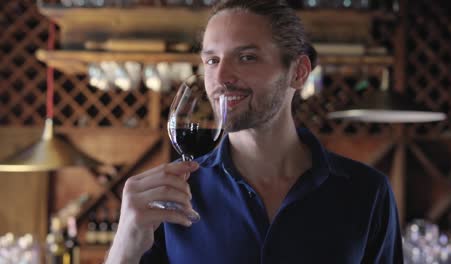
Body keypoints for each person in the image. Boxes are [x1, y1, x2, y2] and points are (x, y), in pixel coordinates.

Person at [106, 1, 403, 263]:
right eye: (212, 60)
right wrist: (123, 250)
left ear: (298, 72)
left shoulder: (367, 192)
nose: (221, 77)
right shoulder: (168, 195)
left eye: (246, 57)